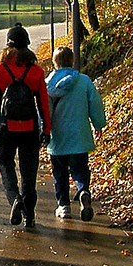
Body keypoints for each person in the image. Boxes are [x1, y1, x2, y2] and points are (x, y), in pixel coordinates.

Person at [0, 24, 51, 229]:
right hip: (29, 128)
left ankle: (15, 200)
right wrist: (46, 130)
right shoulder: (37, 71)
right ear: (27, 45)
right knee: (29, 173)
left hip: (6, 127)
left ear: (8, 44)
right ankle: (30, 216)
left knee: (4, 163)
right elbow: (43, 104)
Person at [45, 45, 106, 221]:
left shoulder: (48, 83)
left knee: (60, 172)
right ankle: (83, 190)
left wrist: (44, 131)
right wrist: (99, 124)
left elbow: (44, 110)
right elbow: (95, 104)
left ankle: (63, 206)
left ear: (54, 63)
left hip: (58, 137)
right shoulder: (84, 81)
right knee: (80, 168)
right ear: (72, 61)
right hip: (80, 134)